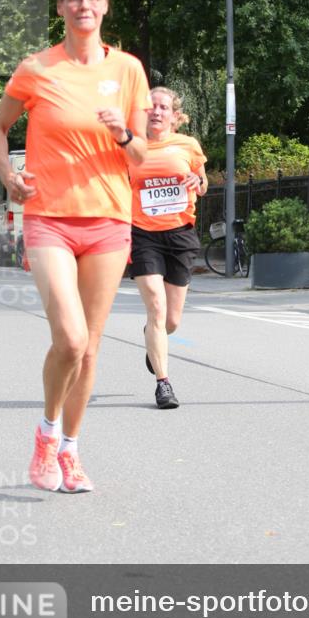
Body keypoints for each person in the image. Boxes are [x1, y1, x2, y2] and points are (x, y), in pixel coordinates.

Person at [0, 0, 151, 493]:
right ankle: (46, 432)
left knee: (91, 347)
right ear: (60, 7)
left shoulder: (128, 70)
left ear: (105, 7)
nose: (84, 5)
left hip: (108, 219)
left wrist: (123, 133)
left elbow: (142, 155)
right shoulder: (37, 68)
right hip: (50, 218)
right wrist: (9, 175)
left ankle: (71, 451)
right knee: (71, 339)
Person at [127, 87, 207, 409]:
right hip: (142, 234)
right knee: (156, 308)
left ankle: (153, 335)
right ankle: (163, 384)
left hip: (179, 235)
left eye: (163, 107)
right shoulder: (131, 148)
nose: (156, 111)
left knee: (171, 321)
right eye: (151, 107)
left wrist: (196, 181)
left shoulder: (188, 145)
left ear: (175, 116)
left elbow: (202, 183)